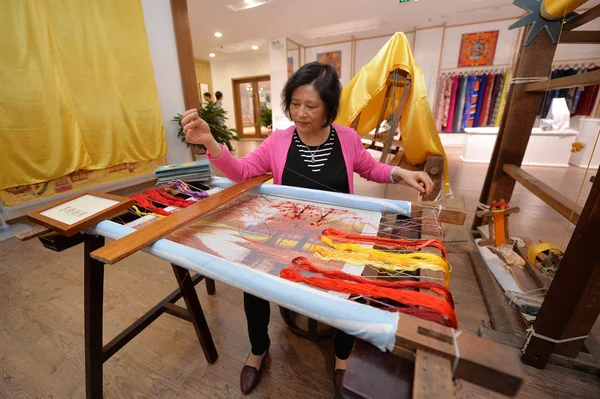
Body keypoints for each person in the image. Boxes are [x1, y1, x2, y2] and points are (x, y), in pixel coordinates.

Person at [181, 61, 433, 395]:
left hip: (340, 236)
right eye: (295, 104)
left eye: (311, 106)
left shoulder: (347, 138)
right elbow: (242, 172)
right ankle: (258, 350)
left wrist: (400, 174)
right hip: (291, 232)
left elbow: (369, 168)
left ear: (329, 107)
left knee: (352, 287)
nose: (301, 113)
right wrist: (212, 144)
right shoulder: (278, 142)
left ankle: (342, 357)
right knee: (252, 278)